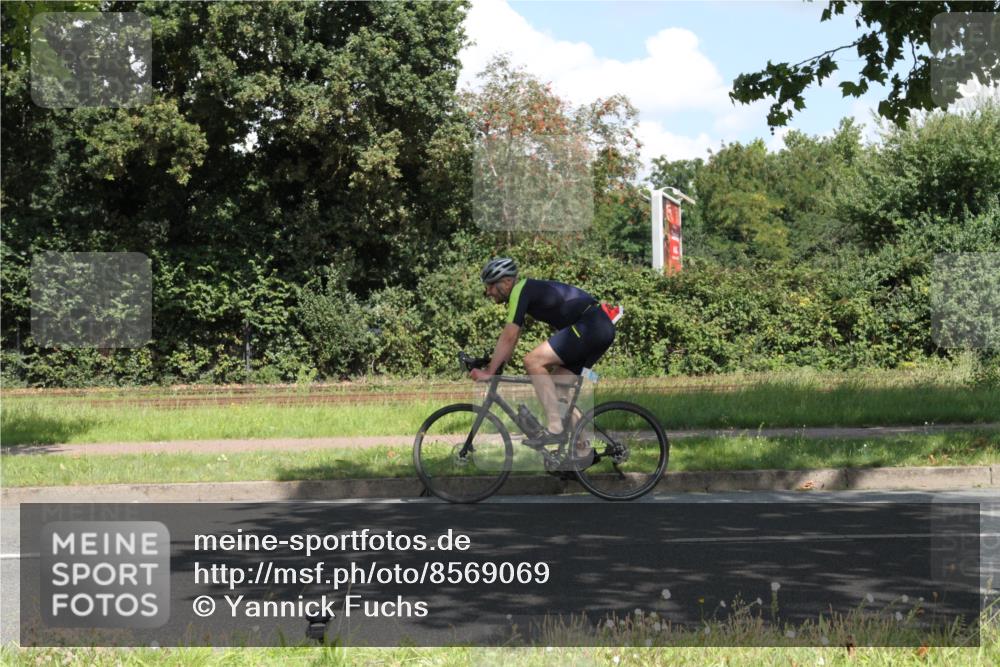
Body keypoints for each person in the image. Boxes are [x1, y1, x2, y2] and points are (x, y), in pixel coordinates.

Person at [470, 257, 616, 466]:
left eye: (492, 285)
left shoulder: (521, 289)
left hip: (591, 326)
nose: (489, 291)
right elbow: (512, 338)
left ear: (508, 282)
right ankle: (584, 452)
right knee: (558, 392)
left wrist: (490, 371)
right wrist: (495, 363)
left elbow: (510, 334)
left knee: (532, 360)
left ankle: (555, 427)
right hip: (598, 328)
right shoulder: (526, 291)